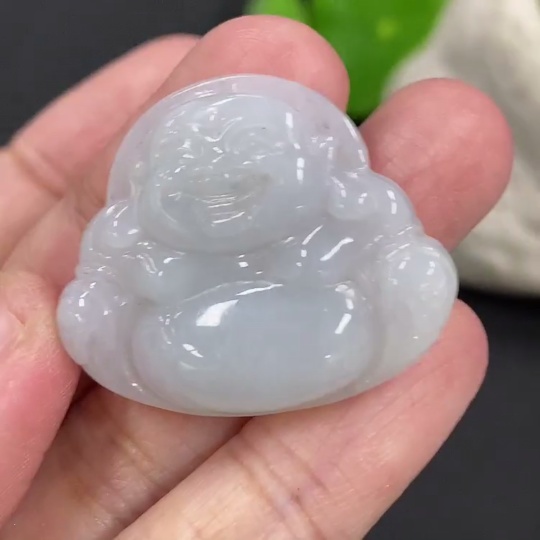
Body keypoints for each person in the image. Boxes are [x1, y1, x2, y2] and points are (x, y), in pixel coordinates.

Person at [0, 15, 512, 539]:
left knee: (404, 280)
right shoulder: (162, 259)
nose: (213, 174)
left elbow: (372, 251)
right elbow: (126, 290)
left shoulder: (333, 234)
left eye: (249, 145)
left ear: (321, 164)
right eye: (180, 164)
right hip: (187, 350)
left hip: (327, 330)